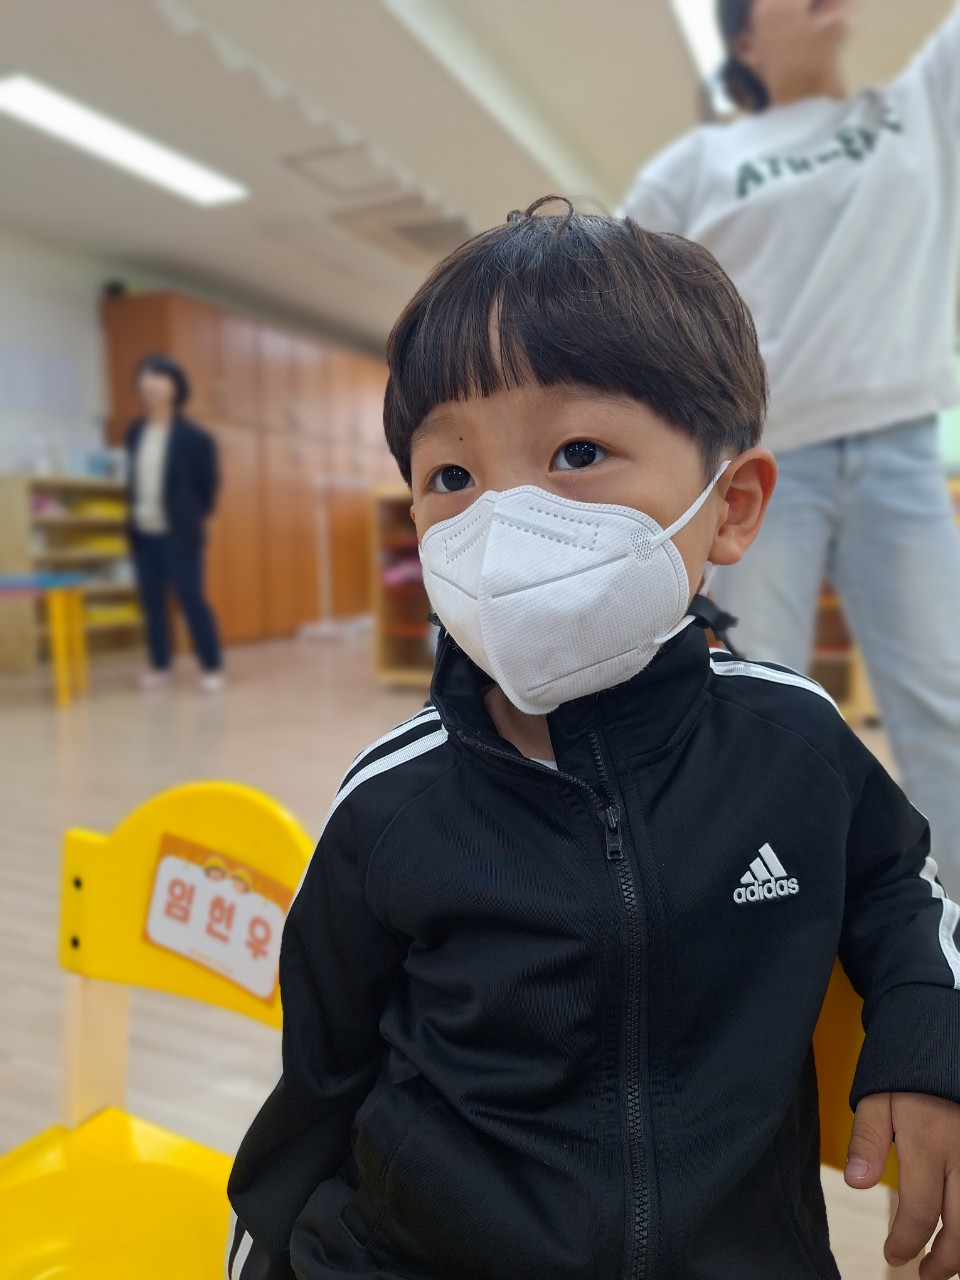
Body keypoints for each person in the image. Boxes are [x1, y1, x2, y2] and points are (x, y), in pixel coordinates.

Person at [225, 202, 960, 1280]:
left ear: (731, 506)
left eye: (577, 451)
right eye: (452, 477)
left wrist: (926, 1035)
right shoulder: (389, 801)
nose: (504, 526)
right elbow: (318, 1085)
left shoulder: (793, 741)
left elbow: (899, 882)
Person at [623, 0, 960, 887]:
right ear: (743, 39)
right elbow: (611, 297)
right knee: (755, 707)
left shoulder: (922, 105)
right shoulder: (696, 165)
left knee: (946, 705)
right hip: (759, 469)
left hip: (902, 455)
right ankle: (769, 922)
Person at [125, 353, 224, 692]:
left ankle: (211, 667)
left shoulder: (195, 438)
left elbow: (207, 488)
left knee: (191, 600)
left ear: (176, 386)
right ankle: (160, 666)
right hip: (143, 532)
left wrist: (189, 516)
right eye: (145, 376)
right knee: (152, 603)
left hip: (179, 534)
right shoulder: (135, 432)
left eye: (159, 376)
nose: (150, 382)